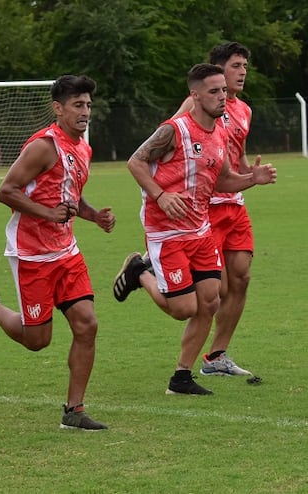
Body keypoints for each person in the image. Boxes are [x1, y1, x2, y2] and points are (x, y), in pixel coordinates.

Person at [112, 63, 276, 395]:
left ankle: (181, 377)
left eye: (224, 91)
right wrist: (160, 195)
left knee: (210, 301)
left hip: (200, 230)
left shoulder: (221, 133)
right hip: (166, 232)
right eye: (214, 91)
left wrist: (252, 180)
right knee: (183, 308)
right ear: (195, 95)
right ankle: (140, 272)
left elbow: (224, 180)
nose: (222, 97)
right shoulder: (174, 130)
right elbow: (135, 161)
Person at [0, 75, 114, 431]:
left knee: (87, 324)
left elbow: (70, 196)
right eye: (78, 105)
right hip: (31, 254)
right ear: (58, 108)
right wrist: (47, 214)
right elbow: (6, 191)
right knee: (37, 341)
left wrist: (94, 217)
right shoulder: (43, 147)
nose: (85, 111)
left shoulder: (83, 148)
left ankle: (74, 411)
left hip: (67, 252)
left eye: (89, 105)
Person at [171, 42, 259, 377]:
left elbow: (239, 158)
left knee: (241, 277)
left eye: (244, 66)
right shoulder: (194, 106)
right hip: (204, 207)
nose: (242, 72)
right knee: (217, 290)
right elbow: (171, 143)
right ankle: (148, 269)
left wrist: (253, 175)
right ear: (218, 71)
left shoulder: (245, 111)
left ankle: (217, 356)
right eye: (236, 65)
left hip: (234, 205)